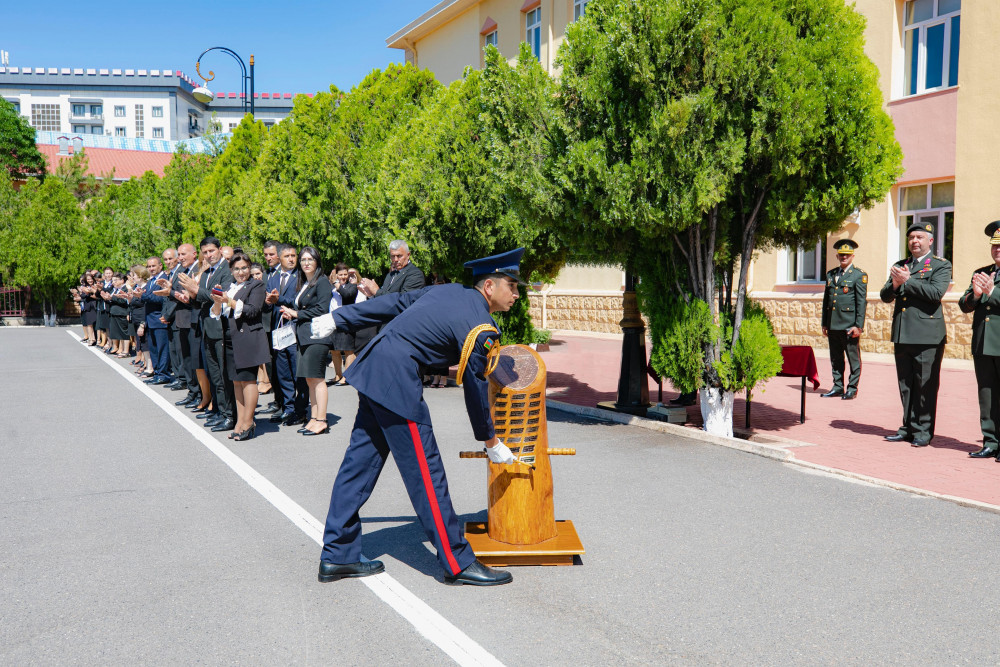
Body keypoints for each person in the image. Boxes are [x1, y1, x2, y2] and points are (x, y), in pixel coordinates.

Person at [317, 248, 530, 587]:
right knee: (426, 473)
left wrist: (343, 317)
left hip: (375, 367)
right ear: (489, 286)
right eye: (512, 286)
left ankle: (337, 554)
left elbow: (396, 303)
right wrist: (491, 442)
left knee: (358, 465)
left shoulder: (448, 290)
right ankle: (457, 561)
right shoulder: (482, 327)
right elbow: (475, 388)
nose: (517, 294)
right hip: (397, 381)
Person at [879, 222, 952, 447]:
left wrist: (907, 281)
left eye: (919, 237)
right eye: (911, 237)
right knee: (906, 384)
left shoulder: (940, 265)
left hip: (927, 336)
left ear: (930, 241)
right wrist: (894, 283)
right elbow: (885, 295)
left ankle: (923, 430)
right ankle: (908, 427)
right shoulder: (900, 265)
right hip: (903, 333)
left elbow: (935, 293)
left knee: (925, 385)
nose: (914, 241)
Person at [210, 251, 270, 441]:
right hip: (229, 336)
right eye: (237, 269)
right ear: (231, 270)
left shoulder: (257, 285)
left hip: (248, 338)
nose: (241, 272)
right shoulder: (229, 286)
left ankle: (248, 421)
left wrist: (229, 300)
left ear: (250, 268)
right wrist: (218, 301)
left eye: (244, 268)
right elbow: (217, 313)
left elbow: (252, 311)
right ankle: (240, 421)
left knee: (248, 380)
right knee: (236, 381)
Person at [180, 237, 235, 432]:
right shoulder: (207, 272)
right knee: (214, 373)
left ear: (220, 250)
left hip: (221, 328)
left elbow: (219, 296)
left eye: (212, 251)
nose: (208, 255)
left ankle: (230, 414)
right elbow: (202, 298)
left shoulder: (227, 270)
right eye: (205, 252)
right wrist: (189, 294)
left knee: (222, 373)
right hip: (206, 326)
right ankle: (220, 411)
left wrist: (196, 290)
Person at [279, 246, 333, 436]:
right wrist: (291, 313)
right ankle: (314, 417)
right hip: (303, 336)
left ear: (317, 261)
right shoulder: (304, 283)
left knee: (317, 379)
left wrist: (297, 313)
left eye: (310, 259)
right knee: (310, 380)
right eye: (303, 260)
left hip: (317, 336)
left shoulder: (323, 282)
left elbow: (322, 309)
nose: (306, 263)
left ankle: (322, 420)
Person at [958, 221, 1000, 460]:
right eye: (995, 246)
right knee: (987, 396)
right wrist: (974, 295)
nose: (998, 250)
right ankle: (990, 442)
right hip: (983, 344)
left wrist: (992, 292)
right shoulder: (983, 272)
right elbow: (964, 305)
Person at [266, 244, 309, 427]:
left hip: (294, 329)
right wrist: (268, 301)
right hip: (279, 330)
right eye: (287, 256)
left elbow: (300, 301)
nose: (291, 259)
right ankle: (288, 408)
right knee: (282, 371)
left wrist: (281, 302)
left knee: (296, 371)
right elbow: (268, 302)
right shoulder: (273, 277)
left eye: (293, 255)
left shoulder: (300, 277)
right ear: (279, 258)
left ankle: (301, 410)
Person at [820, 239, 868, 400]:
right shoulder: (831, 274)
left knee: (853, 358)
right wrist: (825, 323)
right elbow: (827, 300)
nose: (844, 257)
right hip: (833, 324)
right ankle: (837, 386)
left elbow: (861, 302)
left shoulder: (858, 275)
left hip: (849, 325)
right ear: (837, 255)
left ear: (852, 256)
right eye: (841, 255)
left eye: (847, 255)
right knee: (836, 358)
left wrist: (858, 326)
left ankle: (852, 388)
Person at [140, 256, 172, 385]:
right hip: (150, 320)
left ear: (160, 266)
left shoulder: (164, 279)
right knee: (153, 349)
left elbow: (161, 298)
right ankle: (157, 372)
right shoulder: (150, 281)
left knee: (162, 349)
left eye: (153, 266)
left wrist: (143, 295)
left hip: (160, 320)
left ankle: (163, 374)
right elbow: (148, 297)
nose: (151, 269)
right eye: (149, 266)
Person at [360, 239, 426, 299]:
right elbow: (383, 301)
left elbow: (404, 300)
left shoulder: (415, 274)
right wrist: (371, 295)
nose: (395, 259)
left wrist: (377, 291)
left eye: (399, 256)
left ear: (408, 255)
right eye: (392, 256)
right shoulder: (390, 275)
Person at [160, 248, 187, 391]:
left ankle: (182, 379)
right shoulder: (171, 274)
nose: (168, 262)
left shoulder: (181, 271)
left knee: (179, 350)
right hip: (171, 317)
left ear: (177, 258)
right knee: (174, 350)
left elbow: (178, 297)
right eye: (165, 259)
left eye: (170, 258)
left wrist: (168, 315)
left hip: (178, 316)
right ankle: (178, 377)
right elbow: (168, 297)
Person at [260, 241, 282, 415]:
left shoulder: (287, 273)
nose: (268, 258)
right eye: (266, 255)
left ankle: (286, 401)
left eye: (271, 254)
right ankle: (278, 399)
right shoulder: (266, 274)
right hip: (267, 324)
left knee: (283, 365)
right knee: (270, 364)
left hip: (282, 324)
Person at [329, 263, 357, 386]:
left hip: (346, 321)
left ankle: (347, 376)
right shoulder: (331, 287)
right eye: (340, 274)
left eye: (345, 274)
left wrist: (338, 285)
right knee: (334, 350)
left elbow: (347, 295)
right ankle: (338, 374)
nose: (343, 277)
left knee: (348, 349)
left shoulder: (352, 286)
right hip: (332, 320)